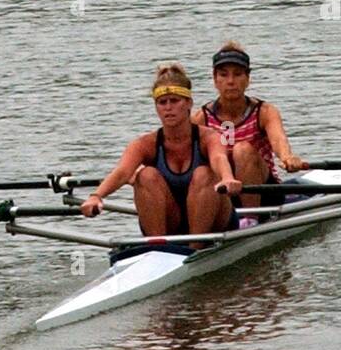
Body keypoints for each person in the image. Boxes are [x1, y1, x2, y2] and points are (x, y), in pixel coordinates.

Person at [80, 63, 241, 236]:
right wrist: (96, 196)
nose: (168, 107)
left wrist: (227, 178)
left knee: (204, 173)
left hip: (215, 221)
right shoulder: (145, 144)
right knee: (145, 176)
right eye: (162, 102)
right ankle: (157, 247)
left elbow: (218, 158)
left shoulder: (209, 137)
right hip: (172, 219)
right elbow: (122, 172)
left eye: (174, 101)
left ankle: (195, 247)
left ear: (188, 103)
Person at [192, 43, 309, 207]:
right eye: (224, 75)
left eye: (238, 74)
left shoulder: (264, 112)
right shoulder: (201, 118)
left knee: (242, 150)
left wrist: (287, 157)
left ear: (248, 79)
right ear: (215, 80)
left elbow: (278, 141)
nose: (231, 81)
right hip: (223, 192)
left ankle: (251, 217)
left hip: (264, 193)